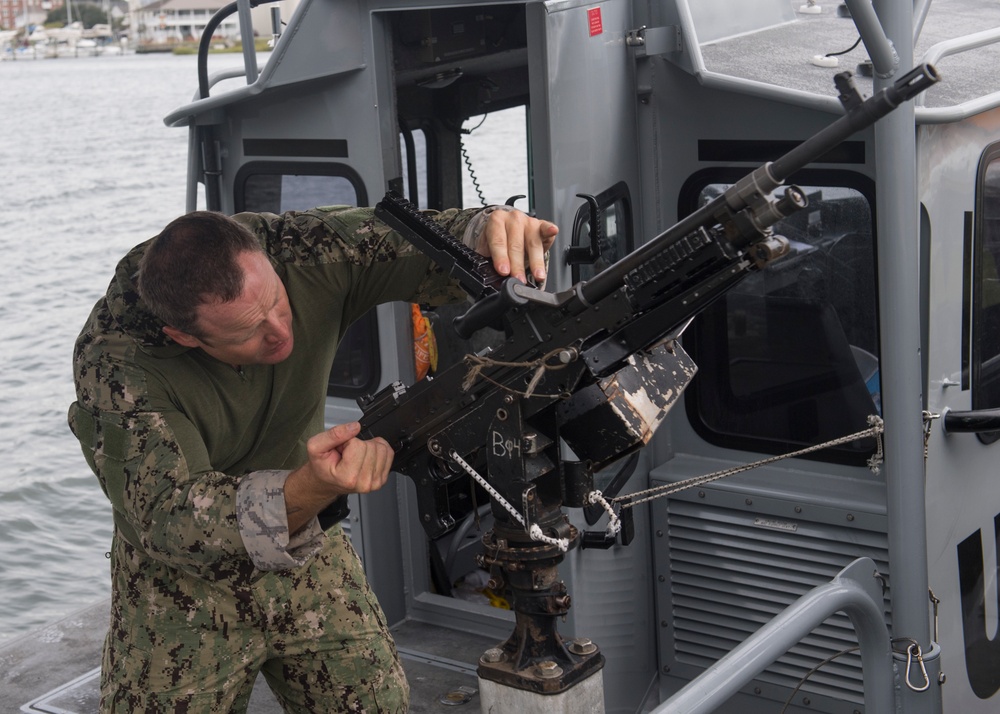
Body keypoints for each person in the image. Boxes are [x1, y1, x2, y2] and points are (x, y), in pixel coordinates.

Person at [68, 203, 558, 713]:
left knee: (376, 704)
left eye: (279, 304)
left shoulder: (293, 247)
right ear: (186, 337)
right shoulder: (115, 362)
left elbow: (416, 242)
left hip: (304, 542)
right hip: (177, 586)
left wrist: (489, 233)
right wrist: (310, 487)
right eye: (248, 332)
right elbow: (170, 516)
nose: (281, 333)